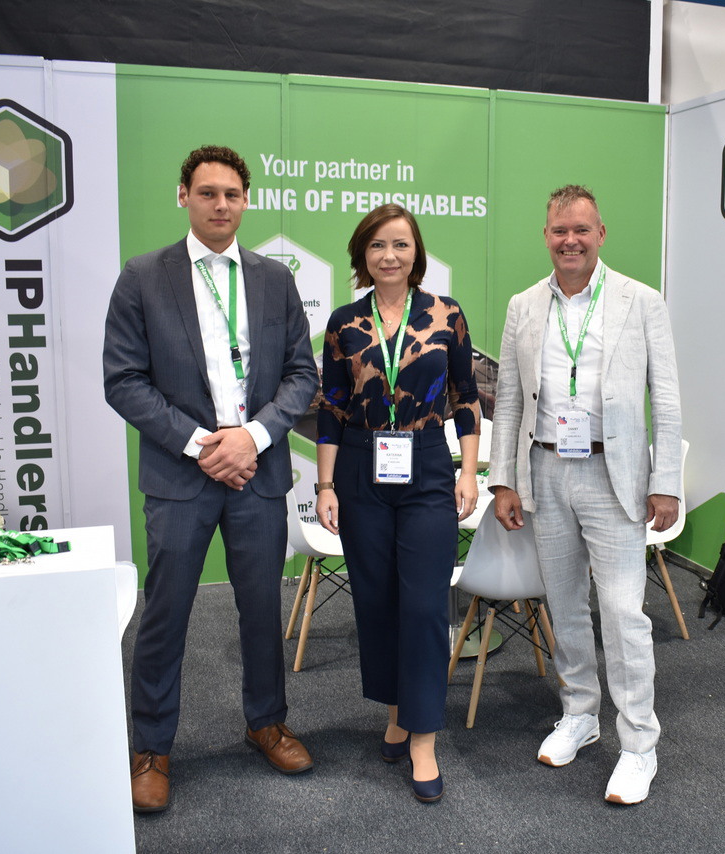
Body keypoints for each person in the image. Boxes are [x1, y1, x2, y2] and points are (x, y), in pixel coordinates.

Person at [103, 144, 319, 813]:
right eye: (207, 193)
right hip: (182, 474)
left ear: (246, 200)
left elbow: (301, 374)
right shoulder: (144, 276)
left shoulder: (274, 279)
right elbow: (124, 380)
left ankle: (267, 723)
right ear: (184, 196)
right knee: (166, 614)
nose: (220, 204)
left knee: (261, 608)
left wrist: (251, 437)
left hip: (257, 470)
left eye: (231, 194)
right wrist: (204, 445)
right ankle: (151, 748)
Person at [487, 185, 682, 805]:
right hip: (545, 470)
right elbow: (509, 400)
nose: (569, 240)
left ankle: (639, 744)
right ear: (546, 236)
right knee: (565, 605)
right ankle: (579, 713)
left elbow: (666, 398)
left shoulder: (641, 301)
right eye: (558, 231)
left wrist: (666, 483)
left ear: (600, 234)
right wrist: (503, 478)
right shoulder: (523, 305)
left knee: (623, 613)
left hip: (612, 473)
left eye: (580, 230)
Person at [314, 204, 480, 804]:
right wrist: (325, 486)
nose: (390, 255)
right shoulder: (344, 322)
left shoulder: (446, 314)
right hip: (361, 467)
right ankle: (397, 714)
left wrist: (468, 472)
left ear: (417, 253)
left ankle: (424, 737)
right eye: (378, 245)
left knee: (425, 605)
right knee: (377, 600)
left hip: (427, 467)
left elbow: (465, 397)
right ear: (363, 254)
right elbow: (330, 409)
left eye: (401, 244)